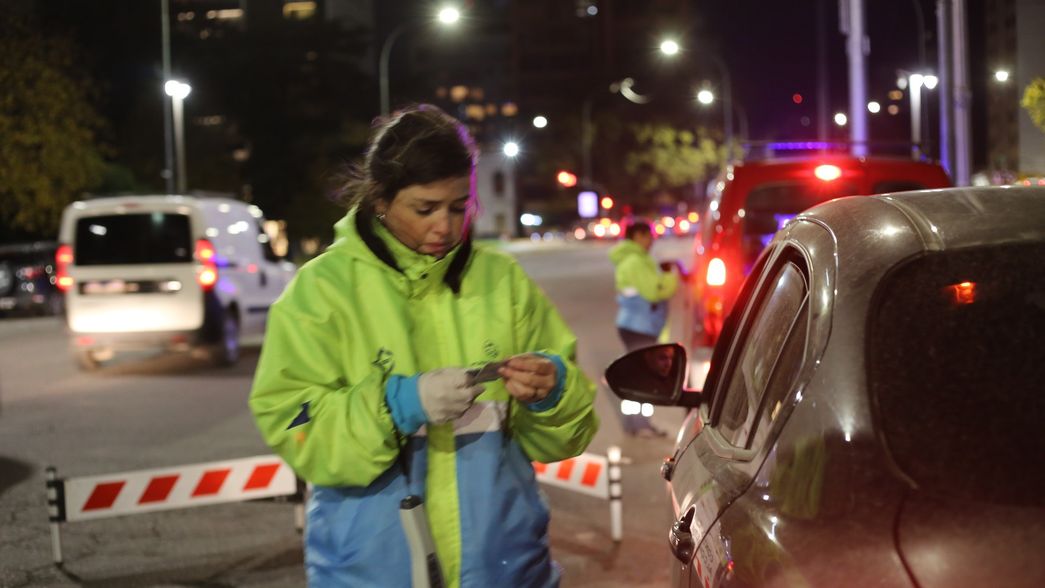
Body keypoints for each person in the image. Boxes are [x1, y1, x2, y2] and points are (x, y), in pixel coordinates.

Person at [249, 104, 599, 587]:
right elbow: (293, 424)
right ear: (380, 200)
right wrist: (398, 405)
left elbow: (566, 435)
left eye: (459, 206)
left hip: (507, 571)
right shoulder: (321, 292)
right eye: (425, 208)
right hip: (372, 573)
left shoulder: (503, 282)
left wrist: (553, 391)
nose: (445, 227)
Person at [608, 220, 680, 437]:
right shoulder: (635, 261)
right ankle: (640, 425)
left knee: (637, 375)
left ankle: (636, 424)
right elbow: (654, 291)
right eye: (649, 236)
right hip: (639, 326)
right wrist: (669, 276)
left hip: (636, 324)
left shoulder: (634, 259)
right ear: (638, 236)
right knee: (643, 377)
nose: (652, 241)